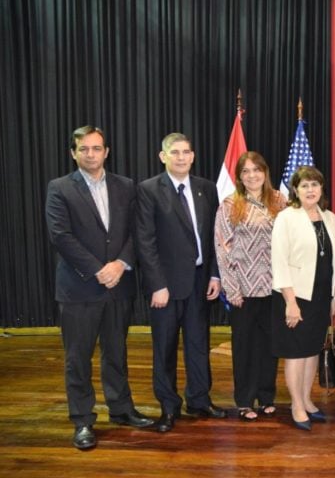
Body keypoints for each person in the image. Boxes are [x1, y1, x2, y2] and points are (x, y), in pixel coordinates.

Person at [45, 125, 154, 450]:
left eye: (96, 148)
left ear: (106, 151)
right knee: (78, 358)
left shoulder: (126, 186)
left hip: (119, 286)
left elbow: (138, 231)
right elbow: (60, 236)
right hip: (79, 289)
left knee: (116, 353)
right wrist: (97, 270)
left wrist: (120, 264)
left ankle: (121, 409)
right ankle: (81, 420)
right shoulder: (60, 187)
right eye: (84, 149)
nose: (91, 154)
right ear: (73, 153)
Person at [136, 132, 224, 433]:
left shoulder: (206, 188)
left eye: (186, 151)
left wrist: (215, 274)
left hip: (200, 281)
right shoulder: (148, 190)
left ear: (193, 155)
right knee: (165, 347)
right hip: (166, 286)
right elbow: (145, 242)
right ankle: (169, 407)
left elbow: (215, 236)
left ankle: (199, 400)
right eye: (175, 152)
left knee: (199, 345)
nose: (181, 157)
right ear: (163, 156)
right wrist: (157, 284)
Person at [214, 151, 286, 422]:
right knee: (244, 346)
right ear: (239, 177)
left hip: (275, 286)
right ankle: (244, 400)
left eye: (257, 170)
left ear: (265, 172)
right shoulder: (230, 205)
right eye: (246, 171)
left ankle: (267, 395)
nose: (252, 175)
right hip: (243, 288)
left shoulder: (279, 200)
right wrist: (231, 289)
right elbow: (222, 249)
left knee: (270, 345)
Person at [271, 166, 335, 431]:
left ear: (321, 189)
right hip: (295, 296)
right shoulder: (286, 218)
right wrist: (290, 302)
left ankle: (308, 400)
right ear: (296, 191)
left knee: (312, 351)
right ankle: (296, 405)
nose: (310, 190)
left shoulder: (329, 217)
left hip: (321, 296)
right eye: (304, 186)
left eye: (315, 185)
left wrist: (334, 296)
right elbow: (279, 262)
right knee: (296, 354)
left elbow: (332, 261)